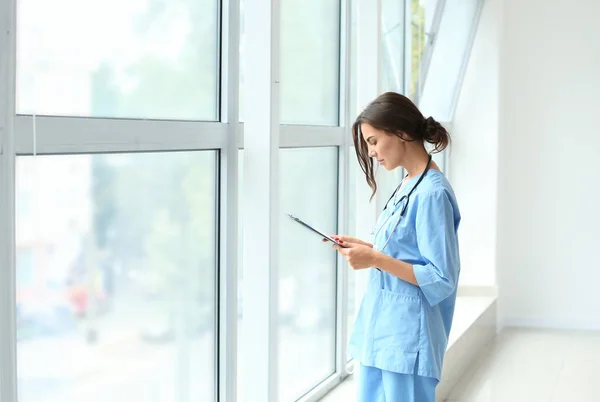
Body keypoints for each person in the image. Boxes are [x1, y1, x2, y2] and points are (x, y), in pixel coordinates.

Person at [326, 92, 461, 402]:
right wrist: (364, 248)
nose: (371, 152)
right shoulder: (409, 183)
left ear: (401, 133)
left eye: (373, 141)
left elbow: (441, 278)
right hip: (383, 332)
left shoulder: (432, 194)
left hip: (407, 341)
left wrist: (373, 257)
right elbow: (405, 249)